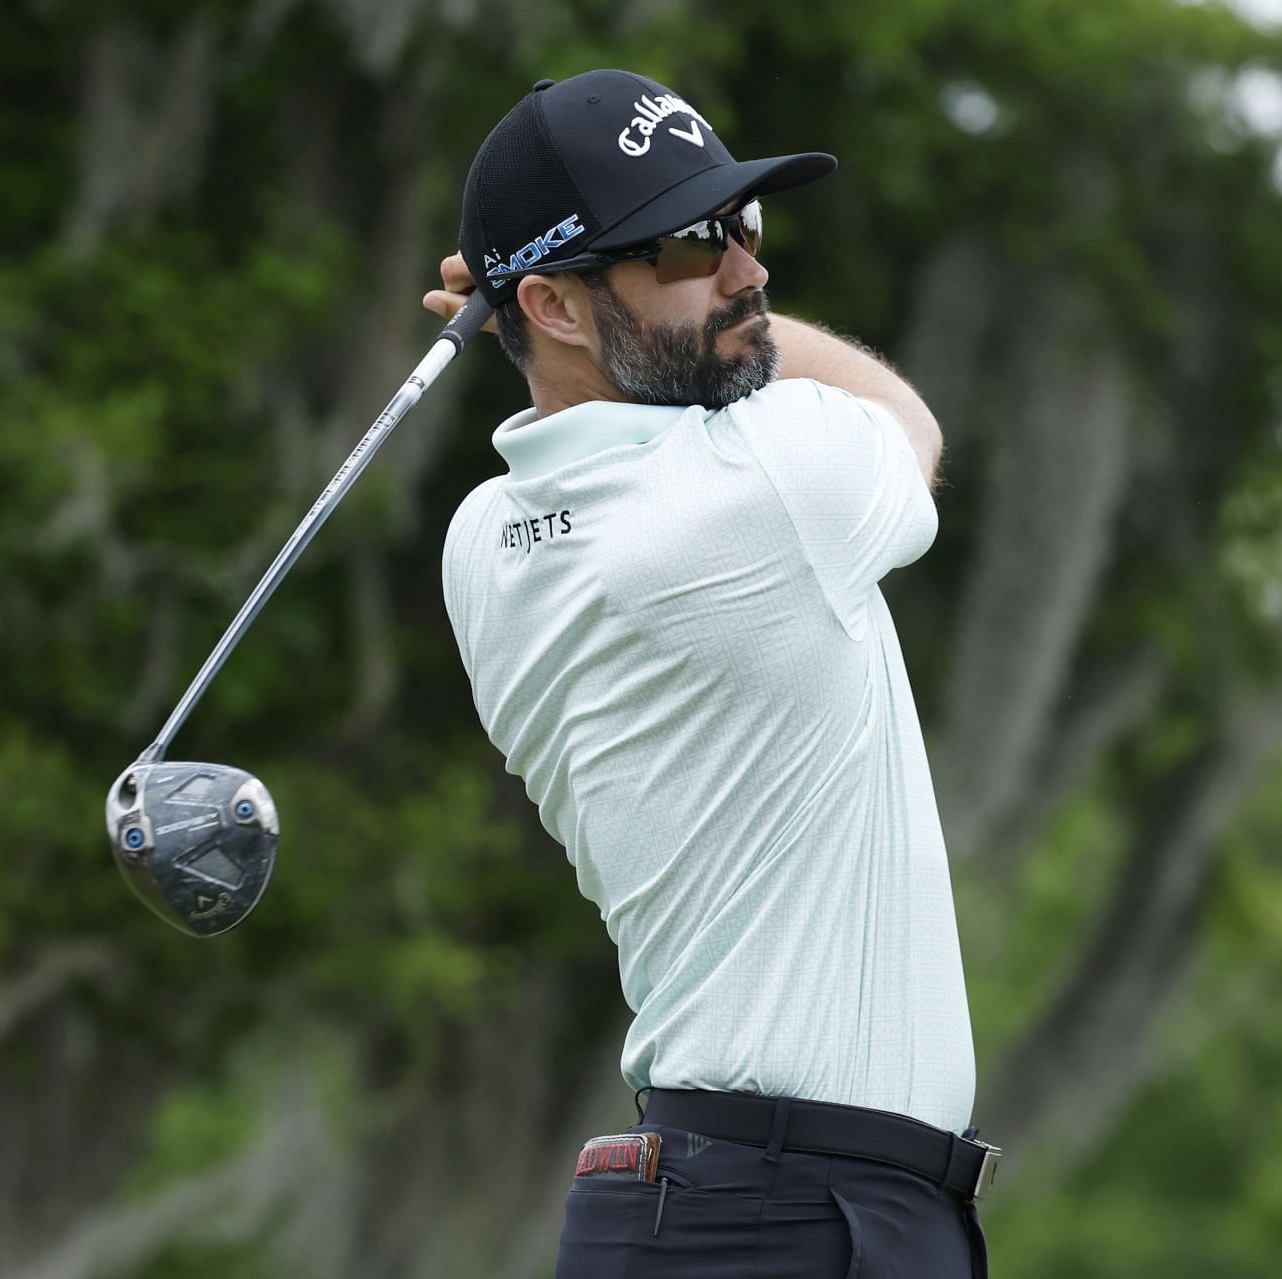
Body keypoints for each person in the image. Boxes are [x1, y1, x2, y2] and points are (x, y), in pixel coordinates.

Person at [423, 69, 994, 1277]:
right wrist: (568, 328)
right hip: (794, 1213)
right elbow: (905, 418)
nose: (750, 273)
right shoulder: (765, 489)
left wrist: (572, 328)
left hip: (739, 1203)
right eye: (690, 243)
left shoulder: (482, 544)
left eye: (746, 226)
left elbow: (613, 428)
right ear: (557, 302)